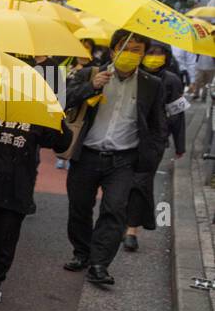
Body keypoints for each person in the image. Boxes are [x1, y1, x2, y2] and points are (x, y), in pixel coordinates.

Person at [62, 29, 168, 286]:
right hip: (86, 153)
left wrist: (150, 159)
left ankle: (99, 264)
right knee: (79, 207)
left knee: (114, 210)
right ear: (113, 51)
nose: (130, 54)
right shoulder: (91, 73)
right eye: (125, 48)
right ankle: (82, 253)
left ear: (142, 56)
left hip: (123, 158)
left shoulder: (151, 85)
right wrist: (91, 86)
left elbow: (157, 125)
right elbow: (61, 100)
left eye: (137, 50)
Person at [0, 111, 72, 308]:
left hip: (16, 186)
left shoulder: (36, 108)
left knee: (5, 238)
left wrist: (55, 115)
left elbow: (60, 144)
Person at [122, 42, 186, 252]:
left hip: (154, 142)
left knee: (141, 183)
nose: (154, 57)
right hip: (126, 136)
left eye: (159, 54)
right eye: (150, 53)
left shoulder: (172, 80)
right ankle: (118, 219)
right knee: (123, 181)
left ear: (167, 57)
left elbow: (177, 114)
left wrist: (180, 144)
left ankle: (132, 230)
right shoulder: (131, 75)